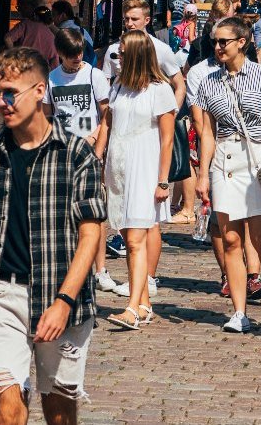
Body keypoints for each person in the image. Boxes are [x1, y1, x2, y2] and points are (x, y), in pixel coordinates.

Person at [0, 48, 106, 425]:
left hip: (60, 293)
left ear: (39, 91)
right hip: (2, 296)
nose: (2, 103)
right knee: (5, 409)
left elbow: (90, 234)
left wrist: (64, 301)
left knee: (59, 412)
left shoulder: (76, 154)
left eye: (10, 93)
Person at [193, 16, 261, 333]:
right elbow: (207, 132)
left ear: (242, 42)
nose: (218, 47)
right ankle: (239, 311)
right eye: (215, 42)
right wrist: (203, 174)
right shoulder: (208, 82)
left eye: (224, 41)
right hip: (224, 159)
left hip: (257, 158)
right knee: (231, 240)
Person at [101, 33, 176, 330]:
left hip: (144, 166)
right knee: (131, 237)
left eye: (121, 54)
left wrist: (163, 181)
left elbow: (167, 139)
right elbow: (110, 123)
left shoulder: (159, 90)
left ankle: (132, 306)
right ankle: (144, 304)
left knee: (134, 240)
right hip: (119, 164)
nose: (116, 60)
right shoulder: (119, 87)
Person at [46, 27, 119, 295]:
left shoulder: (94, 75)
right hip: (61, 153)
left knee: (94, 214)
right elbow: (47, 116)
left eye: (79, 53)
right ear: (60, 54)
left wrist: (98, 150)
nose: (77, 58)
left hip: (89, 152)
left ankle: (100, 271)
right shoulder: (52, 79)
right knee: (64, 212)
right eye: (71, 55)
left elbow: (105, 117)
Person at [5, 0, 62, 70]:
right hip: (48, 71)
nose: (19, 10)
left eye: (19, 6)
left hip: (28, 69)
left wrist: (15, 58)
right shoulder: (51, 25)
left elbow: (7, 38)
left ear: (28, 6)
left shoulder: (25, 24)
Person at [51, 0, 95, 67]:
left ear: (62, 15)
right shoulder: (83, 30)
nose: (52, 18)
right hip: (86, 69)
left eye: (53, 15)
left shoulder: (60, 33)